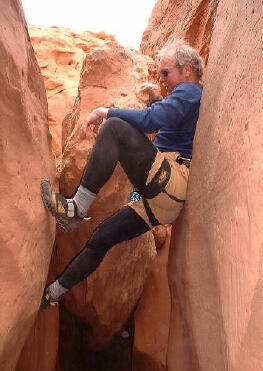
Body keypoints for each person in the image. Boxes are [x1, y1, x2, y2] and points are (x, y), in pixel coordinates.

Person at [40, 39, 204, 310]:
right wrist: (158, 99)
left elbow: (151, 120)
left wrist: (107, 111)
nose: (163, 80)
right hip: (159, 203)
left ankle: (75, 209)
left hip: (170, 183)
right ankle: (53, 293)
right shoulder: (184, 97)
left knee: (113, 127)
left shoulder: (189, 90)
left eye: (166, 73)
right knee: (101, 239)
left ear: (187, 70)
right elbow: (167, 122)